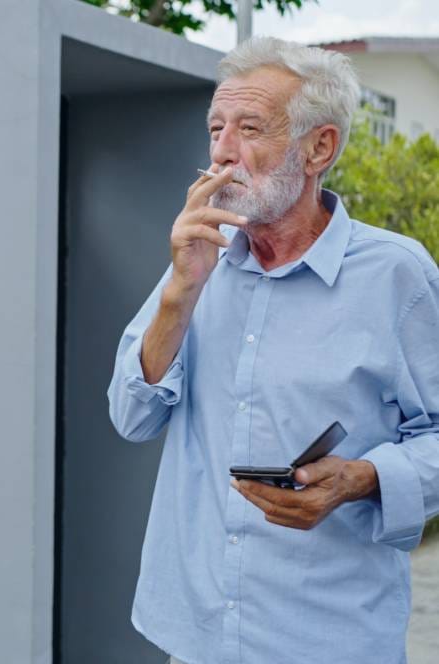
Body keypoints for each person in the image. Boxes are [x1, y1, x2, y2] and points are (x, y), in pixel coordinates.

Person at [106, 36, 439, 664]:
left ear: (320, 148)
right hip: (196, 637)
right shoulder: (195, 267)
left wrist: (364, 478)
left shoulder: (398, 276)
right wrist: (180, 290)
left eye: (249, 128)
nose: (222, 153)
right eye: (216, 128)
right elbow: (131, 416)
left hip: (330, 640)